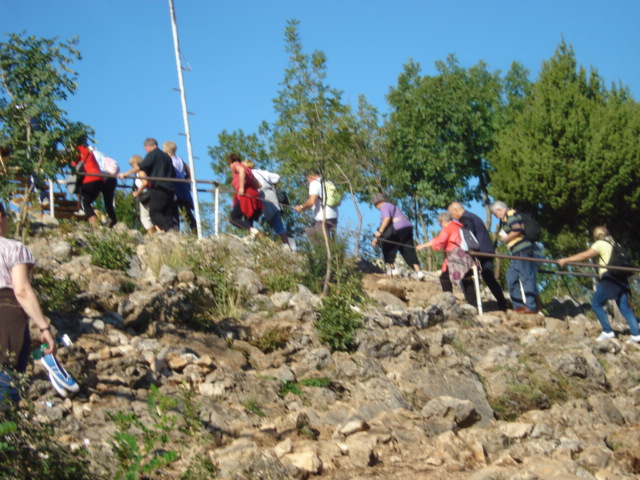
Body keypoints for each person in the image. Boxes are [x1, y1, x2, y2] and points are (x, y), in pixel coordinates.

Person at [0, 202, 56, 401]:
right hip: (6, 316)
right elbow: (22, 290)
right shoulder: (12, 248)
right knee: (7, 378)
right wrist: (44, 328)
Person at [558, 227, 640, 343]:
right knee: (623, 306)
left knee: (596, 303)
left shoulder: (601, 244)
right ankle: (636, 334)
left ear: (596, 236)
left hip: (609, 277)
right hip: (621, 277)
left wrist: (566, 260)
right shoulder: (614, 244)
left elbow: (585, 255)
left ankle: (607, 331)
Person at [448, 202, 508, 311]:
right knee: (488, 276)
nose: (453, 218)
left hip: (480, 252)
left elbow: (469, 238)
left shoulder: (465, 219)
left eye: (452, 214)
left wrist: (469, 254)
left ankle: (474, 305)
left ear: (456, 211)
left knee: (468, 274)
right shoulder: (472, 216)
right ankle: (502, 303)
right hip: (486, 250)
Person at [417, 211, 477, 305]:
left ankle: (448, 302)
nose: (441, 226)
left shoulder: (449, 228)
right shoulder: (459, 226)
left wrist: (424, 246)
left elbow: (440, 240)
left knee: (444, 278)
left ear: (444, 221)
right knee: (466, 279)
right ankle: (474, 304)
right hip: (466, 256)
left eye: (440, 224)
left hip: (455, 256)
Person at [119, 138, 177, 232]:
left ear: (149, 147)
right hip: (170, 189)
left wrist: (125, 174)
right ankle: (174, 232)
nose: (146, 151)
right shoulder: (167, 157)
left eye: (145, 148)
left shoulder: (153, 154)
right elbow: (173, 174)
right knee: (167, 213)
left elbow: (141, 166)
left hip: (159, 188)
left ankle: (170, 230)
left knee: (154, 214)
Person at [490, 201, 538, 314]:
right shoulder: (507, 217)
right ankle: (518, 306)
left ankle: (531, 306)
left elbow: (517, 229)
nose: (497, 217)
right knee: (510, 277)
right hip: (516, 252)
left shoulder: (510, 215)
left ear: (499, 210)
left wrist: (506, 239)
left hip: (522, 250)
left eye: (495, 214)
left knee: (526, 277)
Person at [370, 193, 424, 280]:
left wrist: (379, 233)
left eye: (375, 205)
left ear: (377, 203)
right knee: (408, 249)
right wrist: (376, 238)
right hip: (407, 228)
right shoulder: (393, 206)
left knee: (386, 245)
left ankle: (392, 269)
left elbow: (387, 219)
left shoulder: (384, 206)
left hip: (397, 229)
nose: (376, 208)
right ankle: (419, 272)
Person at [243, 159, 290, 247]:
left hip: (260, 197)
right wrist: (273, 186)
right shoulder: (261, 172)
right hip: (271, 196)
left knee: (255, 220)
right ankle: (286, 246)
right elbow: (277, 177)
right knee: (277, 222)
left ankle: (262, 242)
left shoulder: (248, 174)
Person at [162, 141, 197, 233]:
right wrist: (188, 179)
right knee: (186, 211)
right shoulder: (180, 160)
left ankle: (176, 231)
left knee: (174, 210)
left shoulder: (168, 161)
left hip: (174, 186)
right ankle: (195, 230)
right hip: (183, 186)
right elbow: (189, 171)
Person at [294, 171, 339, 241]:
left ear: (310, 176)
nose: (308, 181)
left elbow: (312, 201)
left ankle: (324, 251)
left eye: (307, 179)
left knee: (323, 242)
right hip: (334, 216)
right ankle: (319, 250)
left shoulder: (314, 183)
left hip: (323, 218)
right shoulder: (328, 182)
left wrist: (301, 207)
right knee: (310, 232)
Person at [72, 143, 108, 227]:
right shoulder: (89, 151)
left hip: (89, 179)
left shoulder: (76, 151)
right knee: (88, 203)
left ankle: (95, 226)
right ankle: (102, 218)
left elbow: (74, 167)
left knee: (85, 204)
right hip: (100, 179)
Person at [226, 153, 262, 234]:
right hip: (255, 196)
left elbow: (241, 171)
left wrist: (242, 187)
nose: (230, 167)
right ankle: (253, 235)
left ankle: (253, 231)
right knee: (248, 220)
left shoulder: (236, 166)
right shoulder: (248, 169)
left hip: (245, 195)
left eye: (229, 165)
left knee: (233, 219)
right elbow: (259, 184)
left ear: (231, 162)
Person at [88, 145, 119, 228]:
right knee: (108, 203)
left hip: (101, 179)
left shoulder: (92, 156)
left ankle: (100, 219)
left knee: (87, 202)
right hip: (111, 179)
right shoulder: (103, 156)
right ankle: (113, 221)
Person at [128, 155, 155, 236]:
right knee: (150, 216)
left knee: (145, 218)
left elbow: (145, 183)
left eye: (132, 164)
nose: (132, 166)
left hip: (145, 195)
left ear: (136, 163)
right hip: (147, 195)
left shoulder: (141, 172)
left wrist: (137, 192)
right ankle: (154, 234)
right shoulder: (146, 171)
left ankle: (152, 236)